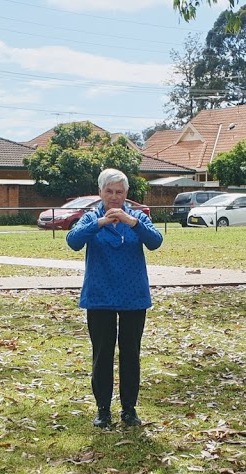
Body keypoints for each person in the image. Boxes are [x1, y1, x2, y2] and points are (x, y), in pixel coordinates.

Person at [66, 168, 163, 428]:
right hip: (99, 296)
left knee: (130, 353)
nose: (114, 197)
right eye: (109, 191)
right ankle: (103, 410)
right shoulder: (90, 217)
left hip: (133, 296)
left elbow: (155, 241)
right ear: (100, 192)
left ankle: (129, 409)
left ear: (126, 194)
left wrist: (132, 223)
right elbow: (73, 241)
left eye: (119, 192)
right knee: (102, 354)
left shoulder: (138, 217)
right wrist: (100, 223)